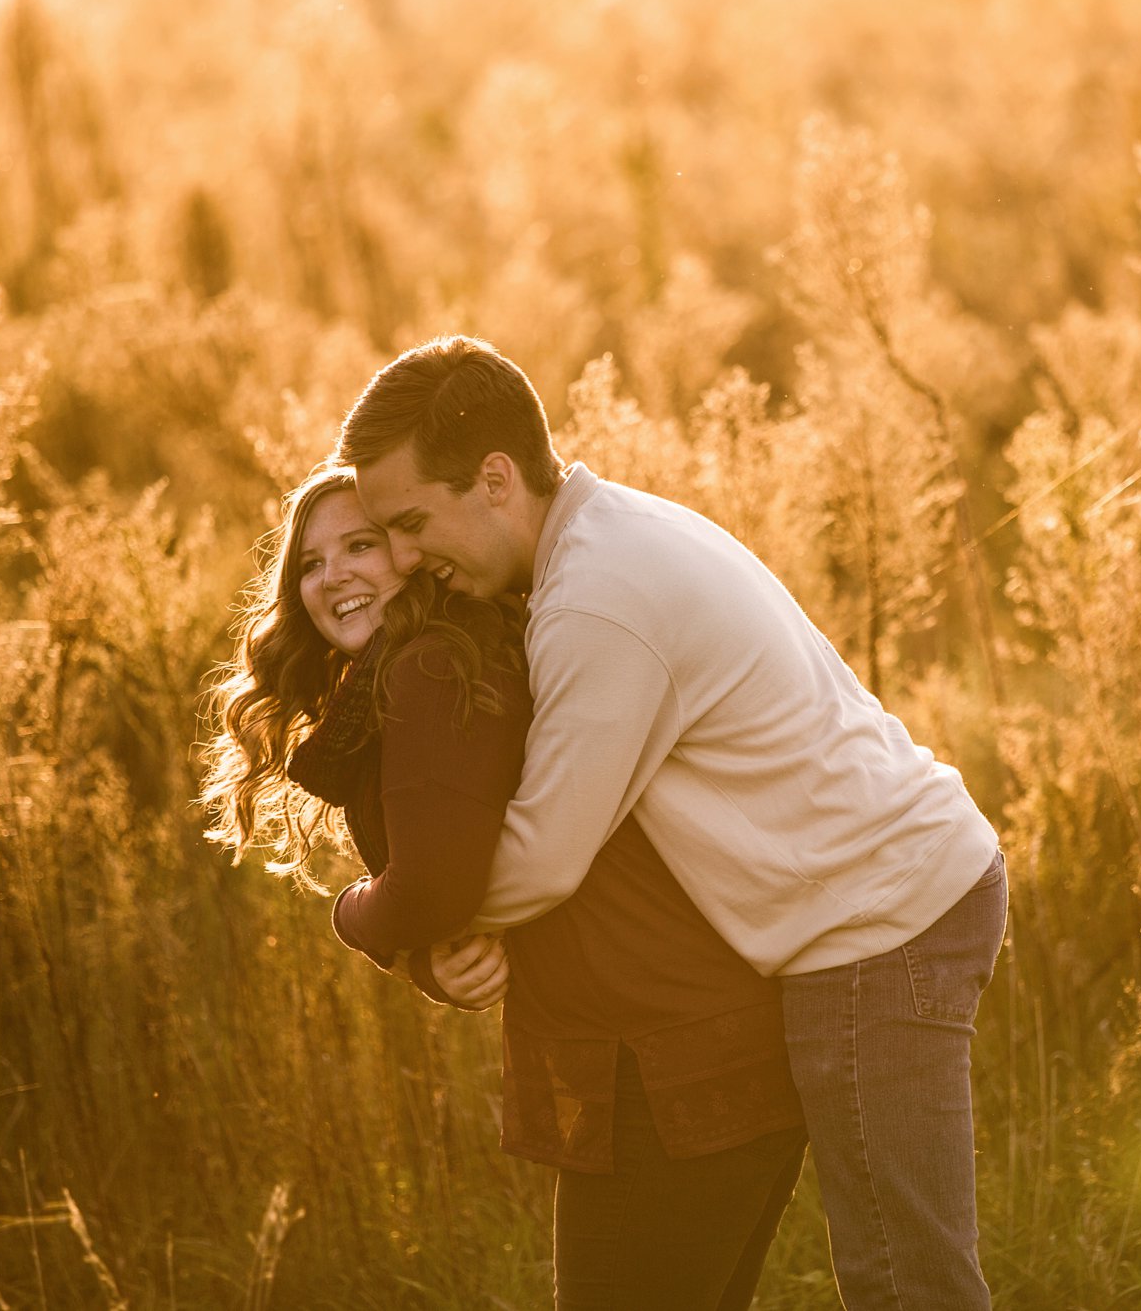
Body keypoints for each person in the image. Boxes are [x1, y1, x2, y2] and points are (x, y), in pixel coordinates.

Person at [334, 337, 1009, 1311]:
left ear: (492, 479)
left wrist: (383, 917)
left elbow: (540, 860)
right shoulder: (608, 535)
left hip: (882, 924)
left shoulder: (596, 602)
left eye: (409, 522)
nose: (401, 559)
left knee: (906, 1282)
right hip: (882, 899)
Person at [201, 468, 808, 1311]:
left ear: (414, 557)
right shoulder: (450, 657)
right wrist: (432, 958)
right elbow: (459, 878)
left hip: (663, 1066)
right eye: (310, 561)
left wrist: (356, 917)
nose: (331, 575)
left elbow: (434, 889)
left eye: (362, 545)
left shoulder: (432, 666)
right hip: (696, 1046)